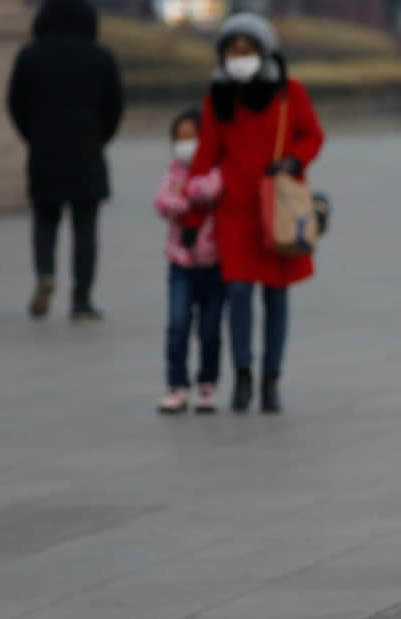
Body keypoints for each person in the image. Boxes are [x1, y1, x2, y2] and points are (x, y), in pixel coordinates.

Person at [182, 13, 324, 414]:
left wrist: (294, 161)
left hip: (275, 209)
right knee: (239, 293)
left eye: (247, 50)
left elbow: (313, 135)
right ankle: (243, 374)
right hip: (235, 212)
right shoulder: (219, 96)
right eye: (233, 51)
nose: (240, 58)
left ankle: (271, 378)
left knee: (276, 296)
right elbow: (206, 156)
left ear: (265, 52)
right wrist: (192, 218)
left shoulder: (289, 93)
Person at [7, 0, 123, 323]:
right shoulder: (100, 57)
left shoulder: (29, 56)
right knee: (85, 227)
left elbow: (16, 104)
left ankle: (45, 273)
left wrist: (33, 135)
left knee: (45, 220)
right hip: (87, 149)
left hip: (44, 150)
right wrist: (99, 136)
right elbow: (115, 106)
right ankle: (81, 301)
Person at [154, 109, 225, 414]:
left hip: (214, 263)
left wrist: (187, 192)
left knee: (209, 330)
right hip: (180, 262)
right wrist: (185, 202)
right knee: (178, 323)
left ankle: (207, 384)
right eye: (180, 139)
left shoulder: (217, 168)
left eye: (191, 138)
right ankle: (176, 385)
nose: (186, 145)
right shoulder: (173, 170)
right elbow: (161, 201)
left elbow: (212, 189)